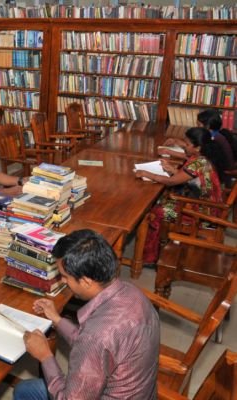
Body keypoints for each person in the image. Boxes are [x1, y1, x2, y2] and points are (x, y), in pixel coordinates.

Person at [14, 229, 160, 400]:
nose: (62, 281)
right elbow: (98, 344)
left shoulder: (97, 336)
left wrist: (45, 356)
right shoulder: (133, 294)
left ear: (85, 281)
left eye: (65, 276)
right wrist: (57, 320)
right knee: (25, 389)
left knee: (24, 391)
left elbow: (94, 342)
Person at [137, 127, 226, 264]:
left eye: (187, 144)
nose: (184, 146)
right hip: (201, 203)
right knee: (159, 203)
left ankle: (150, 258)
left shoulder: (198, 163)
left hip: (202, 212)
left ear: (197, 147)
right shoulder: (199, 158)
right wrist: (171, 169)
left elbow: (171, 181)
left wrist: (147, 174)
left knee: (156, 212)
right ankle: (156, 248)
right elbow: (187, 178)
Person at [160, 109, 235, 180]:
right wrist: (178, 142)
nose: (197, 127)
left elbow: (193, 156)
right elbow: (196, 149)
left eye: (199, 124)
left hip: (220, 175)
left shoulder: (211, 140)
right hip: (219, 171)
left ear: (207, 126)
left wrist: (169, 152)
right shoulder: (216, 135)